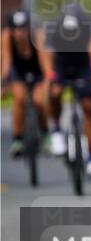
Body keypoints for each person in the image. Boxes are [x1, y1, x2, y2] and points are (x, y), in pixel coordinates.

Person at [42, 4, 91, 178]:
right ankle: (56, 129)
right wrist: (50, 76)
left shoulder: (89, 26)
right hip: (61, 64)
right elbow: (48, 55)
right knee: (55, 92)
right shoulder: (53, 28)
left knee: (88, 107)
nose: (71, 34)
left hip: (82, 64)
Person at [1, 10, 51, 157]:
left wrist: (48, 81)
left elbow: (45, 62)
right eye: (16, 28)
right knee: (19, 98)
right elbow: (6, 63)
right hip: (18, 72)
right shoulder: (6, 37)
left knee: (39, 101)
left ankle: (45, 134)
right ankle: (18, 139)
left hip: (37, 71)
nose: (20, 32)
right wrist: (3, 83)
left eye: (23, 28)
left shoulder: (38, 36)